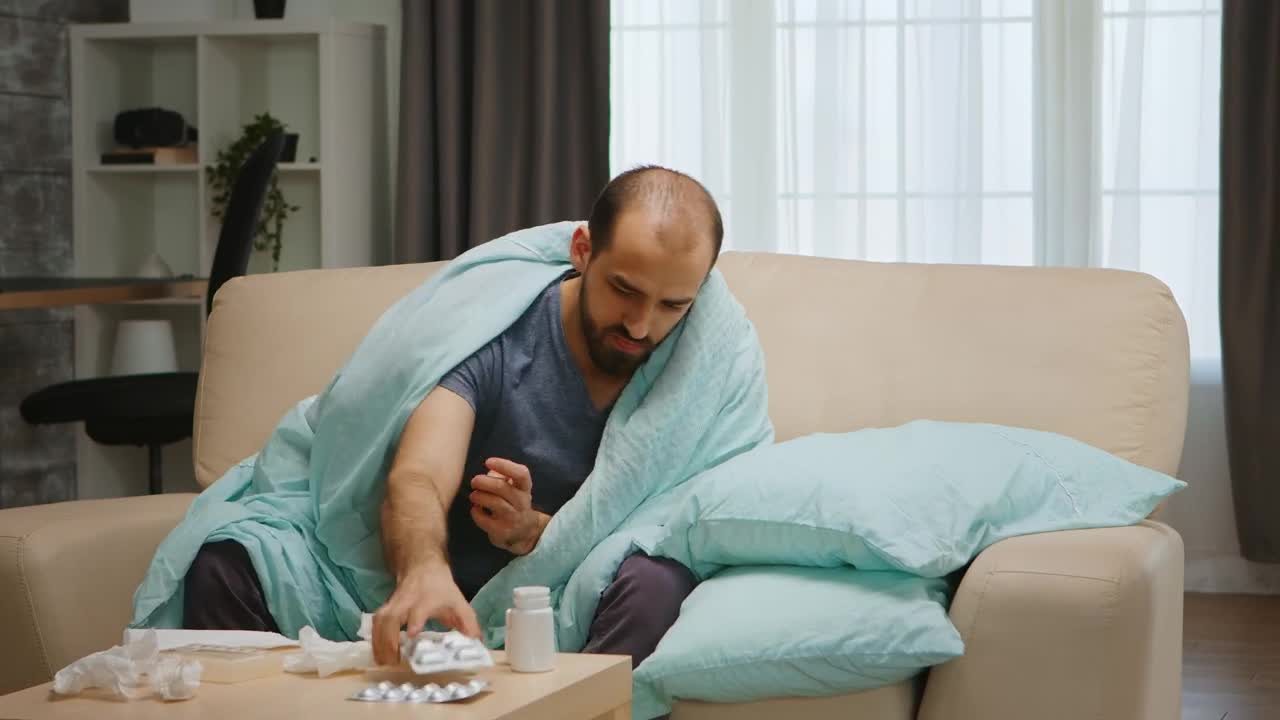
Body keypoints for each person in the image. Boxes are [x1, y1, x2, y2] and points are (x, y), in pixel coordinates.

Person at [182, 165, 726, 669]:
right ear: (582, 250)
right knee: (226, 564)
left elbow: (677, 517)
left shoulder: (698, 369)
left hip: (563, 596)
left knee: (656, 582)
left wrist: (538, 531)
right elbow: (418, 473)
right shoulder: (497, 333)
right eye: (624, 290)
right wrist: (422, 568)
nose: (639, 325)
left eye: (671, 305)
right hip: (394, 586)